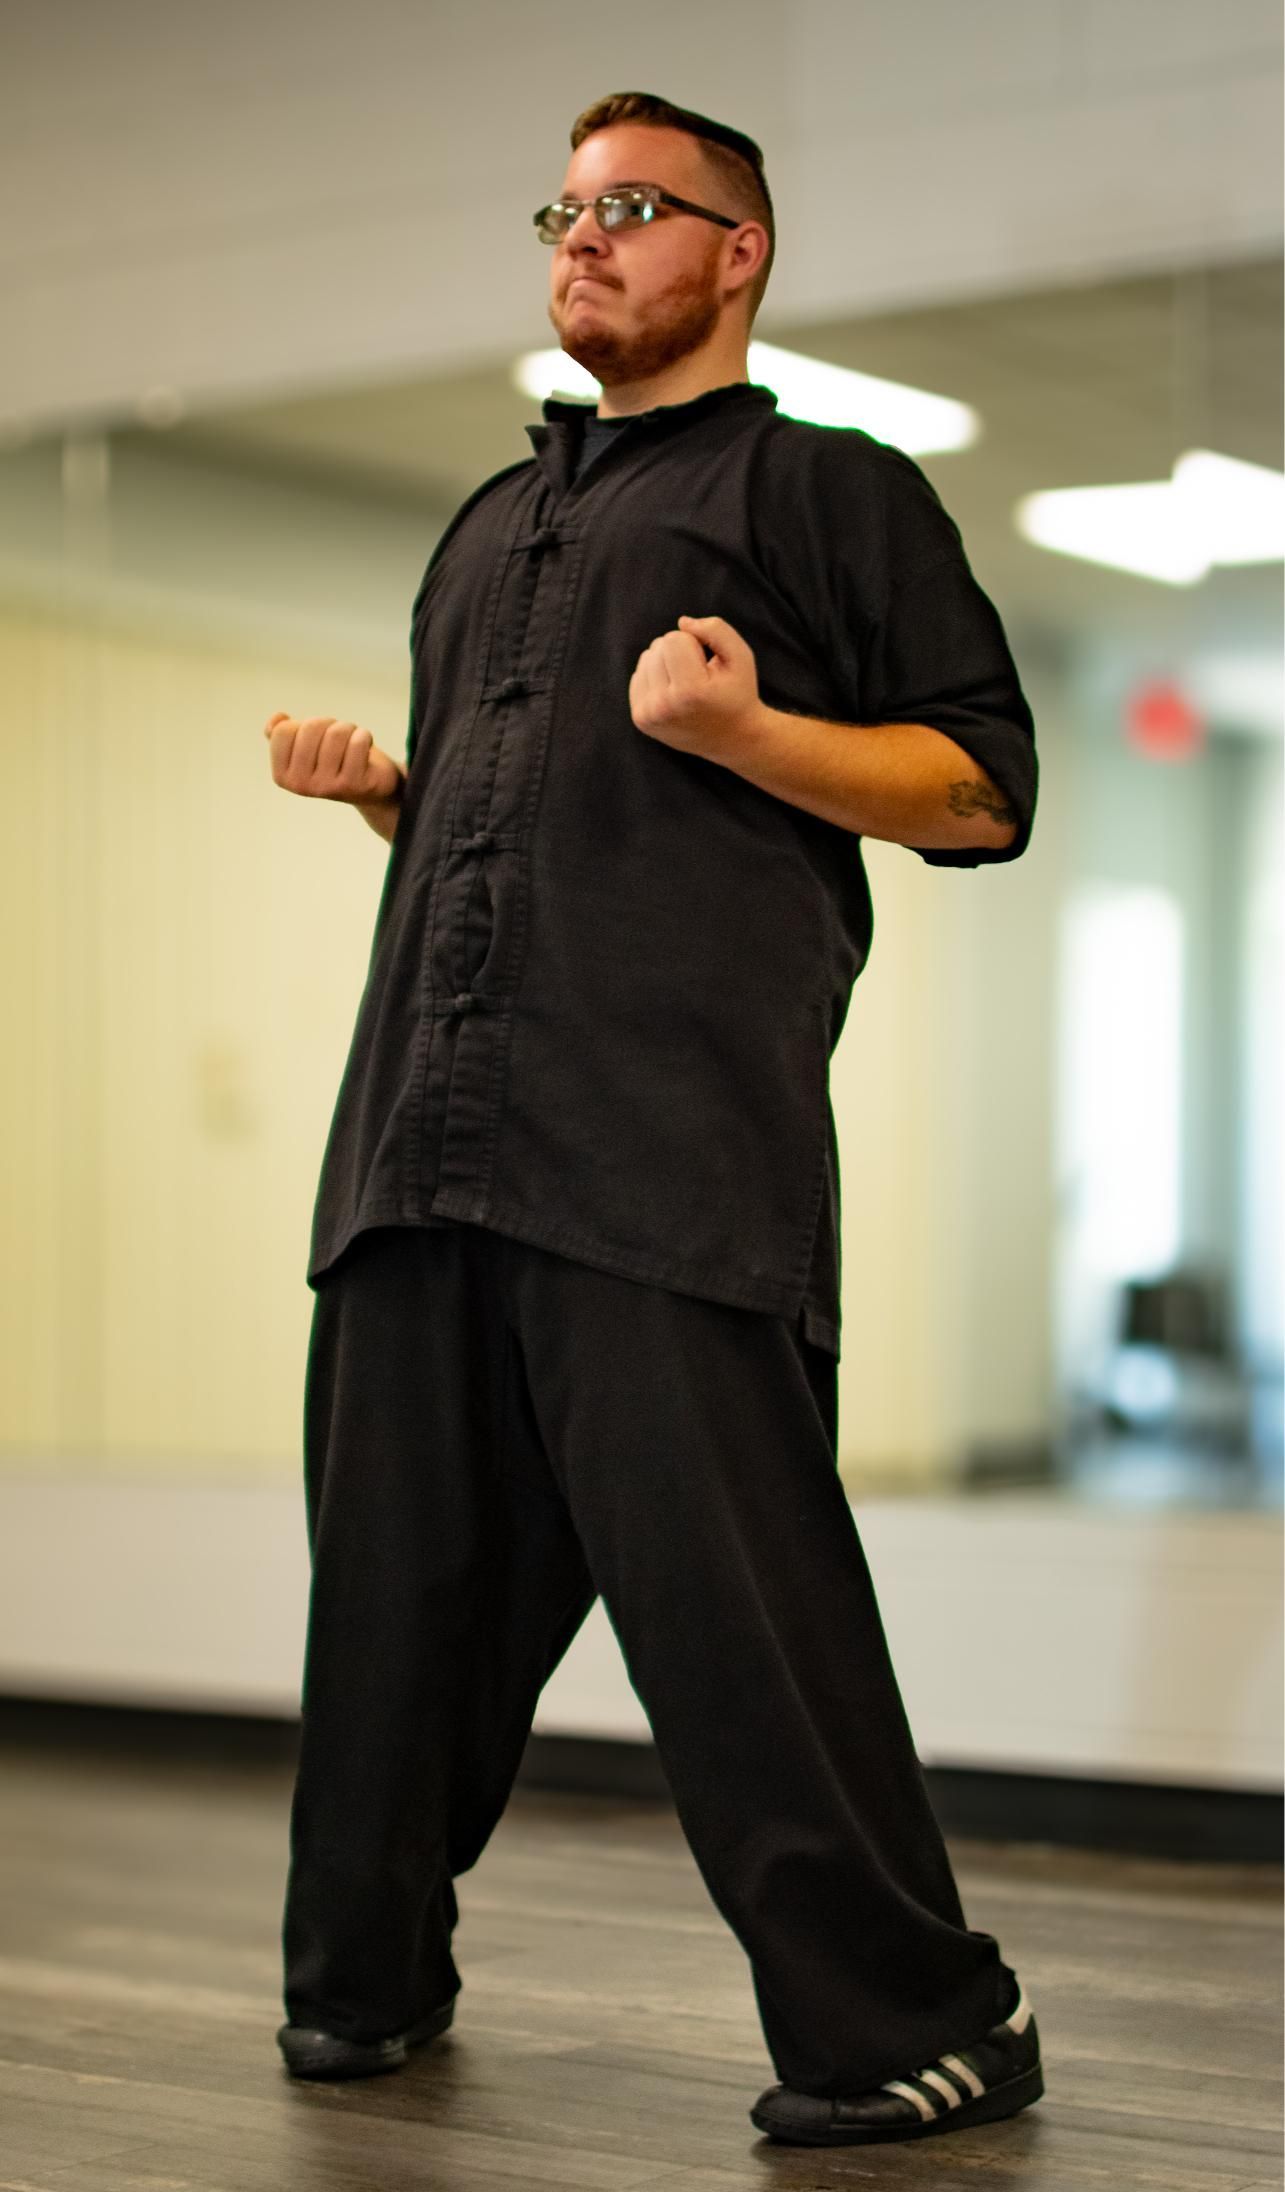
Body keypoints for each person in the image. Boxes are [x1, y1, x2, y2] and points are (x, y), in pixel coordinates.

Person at [262, 89, 1043, 2150]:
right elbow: (538, 839)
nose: (584, 236)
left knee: (737, 1627)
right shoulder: (482, 529)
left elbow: (981, 793)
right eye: (563, 208)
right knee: (394, 1611)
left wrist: (749, 727)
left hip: (664, 1158)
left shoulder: (827, 492)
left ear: (738, 250)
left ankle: (916, 2022)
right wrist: (393, 804)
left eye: (632, 205)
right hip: (420, 1148)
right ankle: (362, 1985)